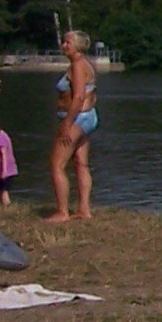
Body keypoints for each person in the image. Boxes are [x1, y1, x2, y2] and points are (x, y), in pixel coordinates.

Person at [43, 29, 98, 224]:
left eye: (68, 43)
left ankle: (62, 212)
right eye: (64, 42)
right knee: (81, 163)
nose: (64, 46)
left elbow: (79, 96)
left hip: (77, 118)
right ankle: (84, 209)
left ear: (78, 46)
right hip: (88, 117)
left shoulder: (77, 65)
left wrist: (67, 123)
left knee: (57, 164)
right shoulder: (85, 64)